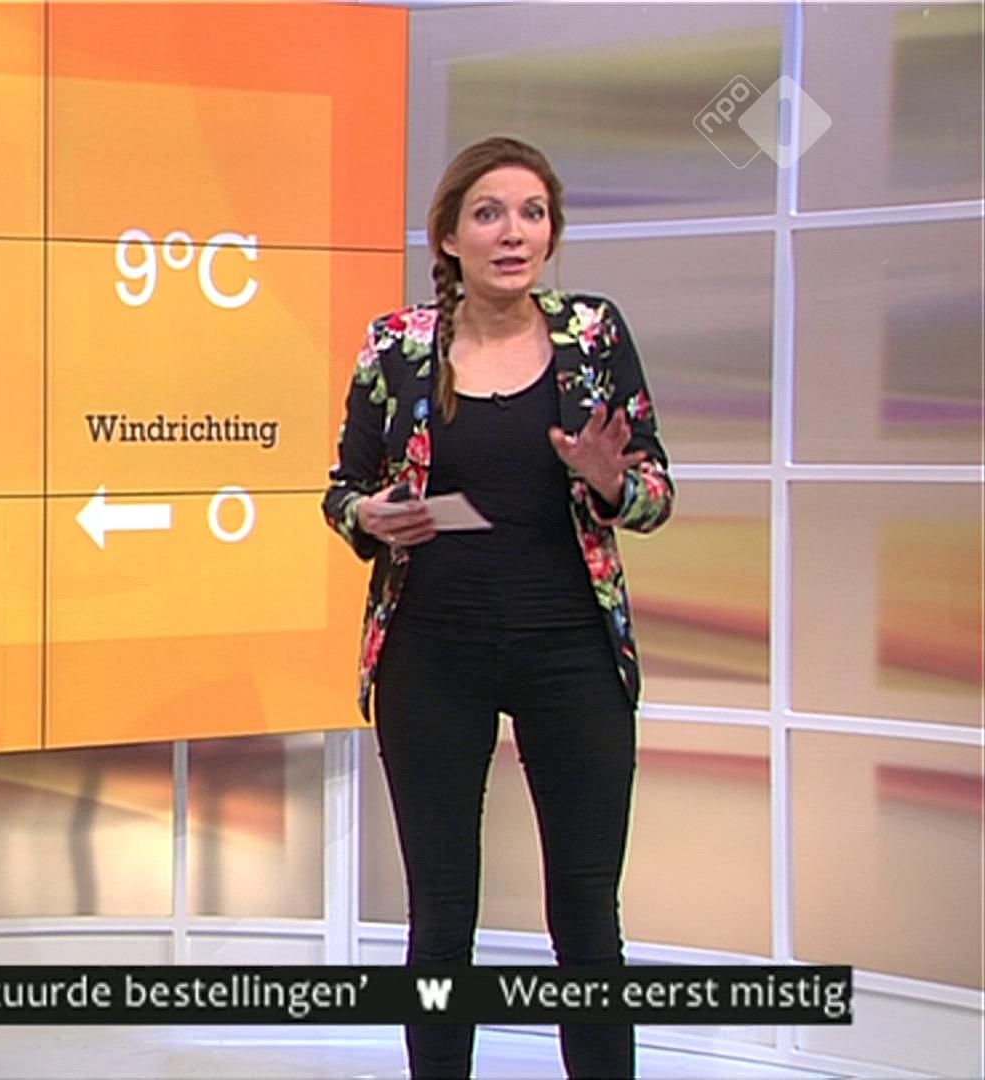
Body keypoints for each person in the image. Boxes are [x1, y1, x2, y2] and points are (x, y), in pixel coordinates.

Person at [321, 136, 674, 1079]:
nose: (512, 232)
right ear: (449, 235)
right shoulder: (398, 345)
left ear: (550, 233)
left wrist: (610, 483)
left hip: (573, 655)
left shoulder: (593, 335)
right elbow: (341, 490)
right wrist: (370, 516)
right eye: (489, 213)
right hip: (432, 653)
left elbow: (655, 493)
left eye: (531, 213)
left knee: (588, 922)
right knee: (441, 922)